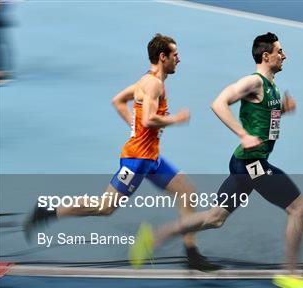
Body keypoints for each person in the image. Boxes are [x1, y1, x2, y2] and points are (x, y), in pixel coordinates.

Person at [130, 32, 303, 288]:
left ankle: (156, 236)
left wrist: (281, 110)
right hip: (252, 162)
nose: (285, 56)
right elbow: (219, 103)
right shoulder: (253, 81)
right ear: (266, 55)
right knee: (299, 208)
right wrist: (242, 134)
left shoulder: (270, 87)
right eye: (280, 51)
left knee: (215, 219)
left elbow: (260, 115)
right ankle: (290, 274)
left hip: (245, 164)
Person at [23, 33, 221, 271]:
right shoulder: (153, 84)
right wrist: (175, 119)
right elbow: (148, 120)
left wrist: (132, 126)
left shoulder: (145, 81)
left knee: (187, 192)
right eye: (175, 55)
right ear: (162, 57)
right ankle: (47, 212)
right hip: (137, 161)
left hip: (151, 159)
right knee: (104, 208)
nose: (179, 59)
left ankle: (191, 253)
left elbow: (118, 100)